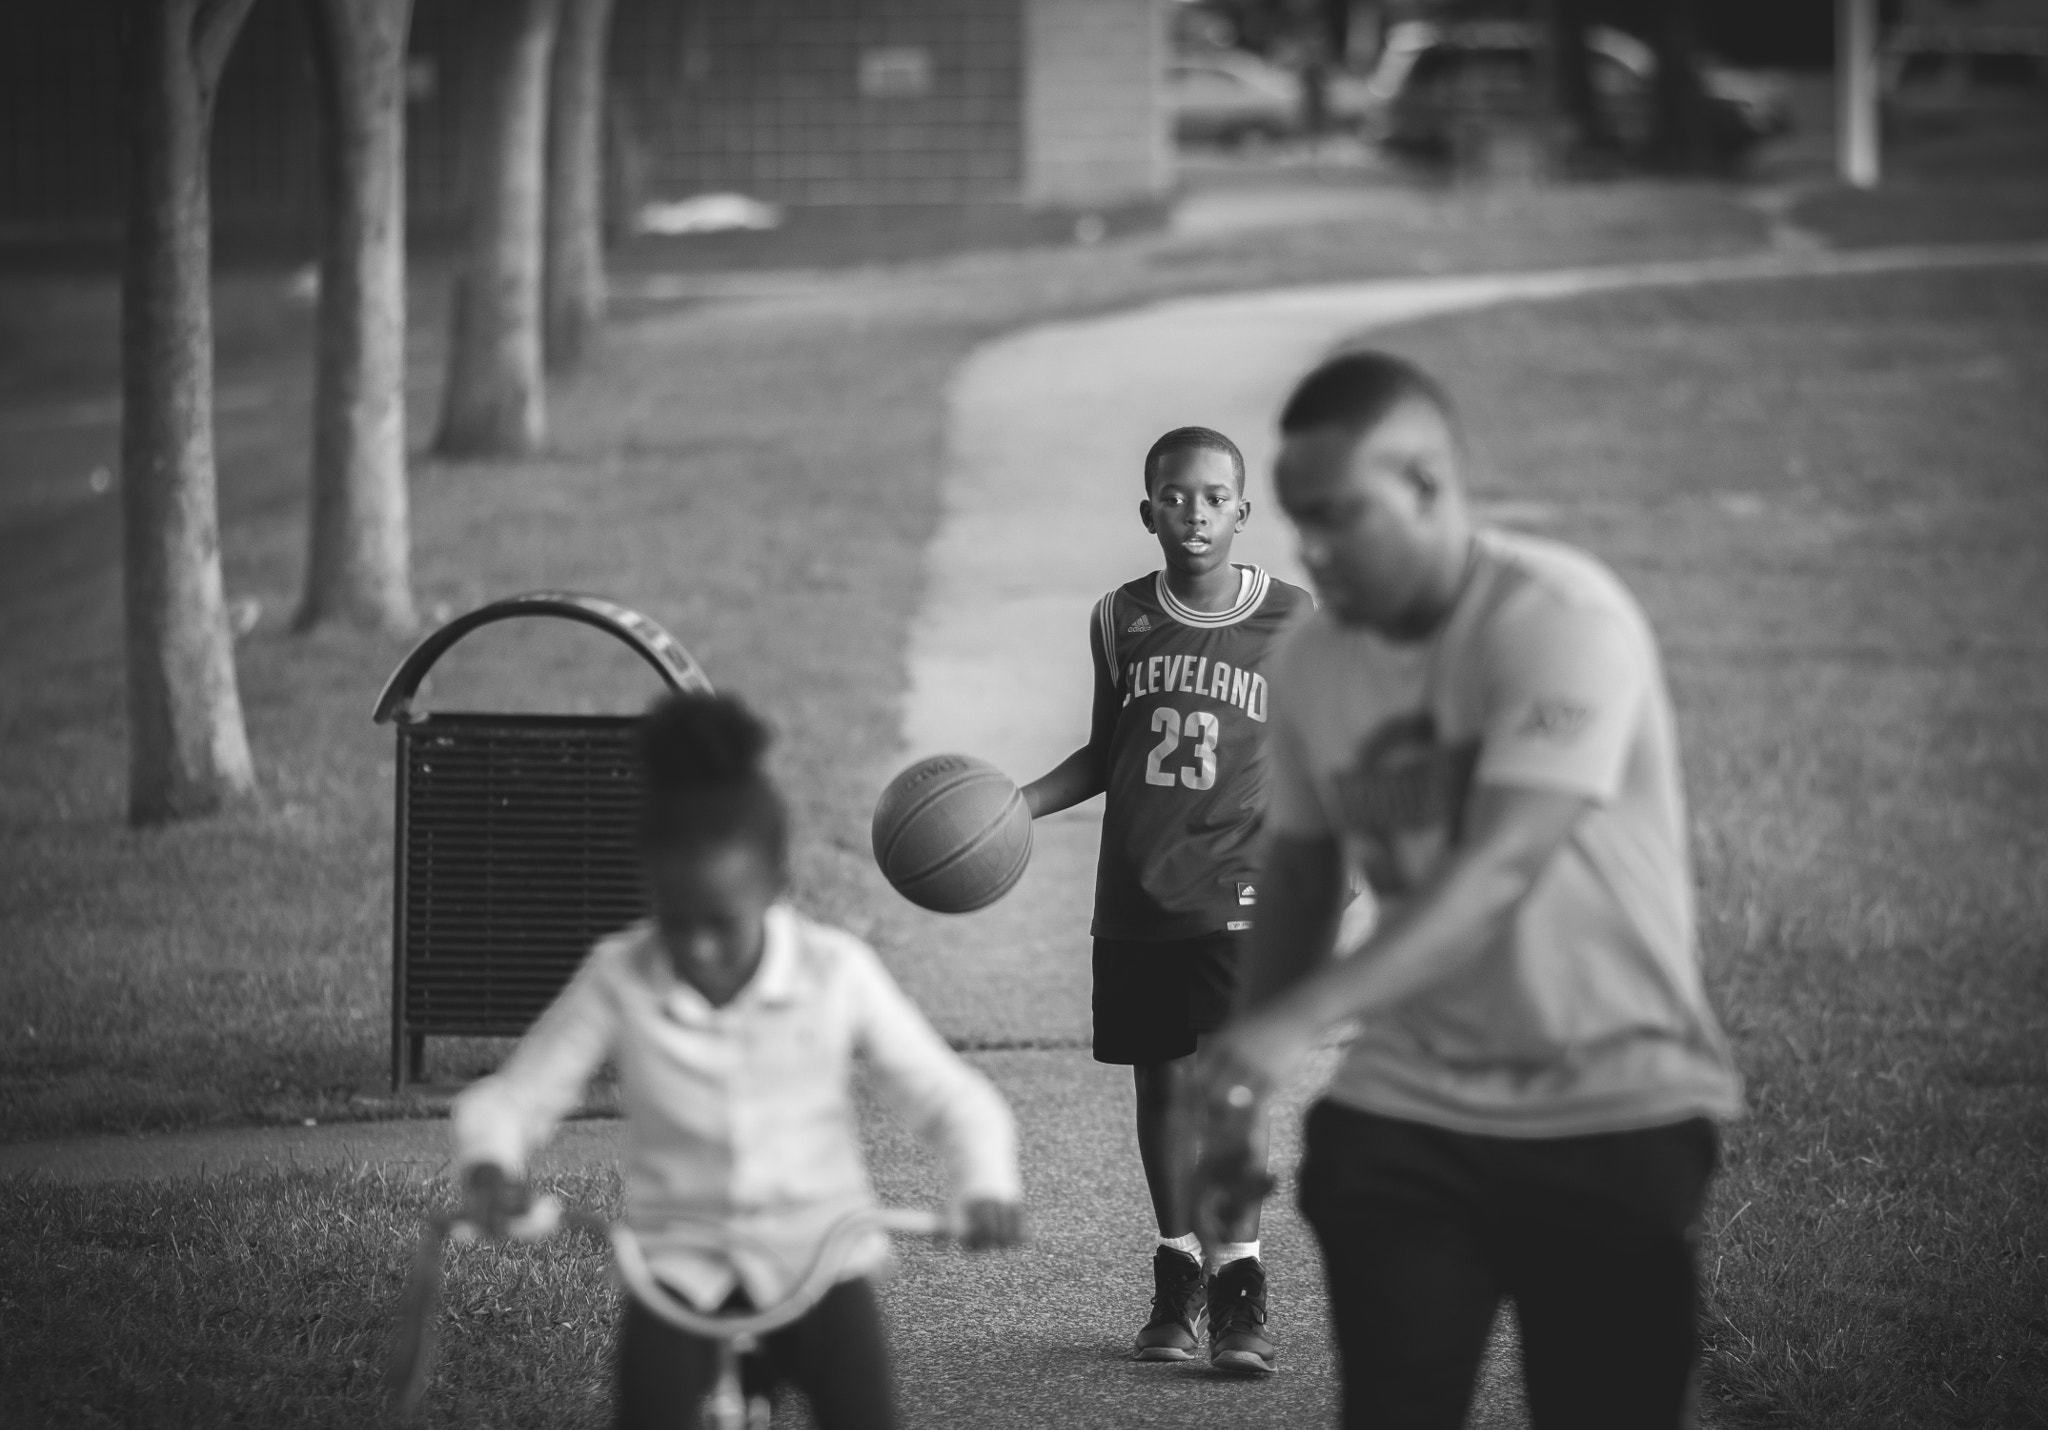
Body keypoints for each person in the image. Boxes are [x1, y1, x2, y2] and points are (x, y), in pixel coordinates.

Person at [1191, 351, 1744, 1428]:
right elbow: (1300, 875)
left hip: (1607, 1102)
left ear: (1430, 487)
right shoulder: (1310, 661)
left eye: (1339, 515)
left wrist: (1293, 1022)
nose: (1310, 547)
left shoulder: (1556, 615)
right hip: (1409, 1109)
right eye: (1298, 517)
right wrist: (1242, 1079)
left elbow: (1498, 865)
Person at [452, 692, 1026, 1430]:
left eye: (721, 925)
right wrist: (492, 1163)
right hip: (677, 1271)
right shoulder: (619, 975)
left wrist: (985, 1185)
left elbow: (950, 1097)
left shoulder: (834, 971)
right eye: (676, 921)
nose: (696, 950)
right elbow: (514, 1098)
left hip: (819, 1260)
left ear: (776, 888)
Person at [1020, 426, 1312, 1374]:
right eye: (1175, 497)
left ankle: (1242, 1289)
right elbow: (1109, 752)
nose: (1194, 512)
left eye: (1213, 497)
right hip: (1137, 894)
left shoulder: (1294, 622)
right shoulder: (1119, 618)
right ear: (1148, 512)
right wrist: (1017, 805)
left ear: (1243, 512)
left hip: (1243, 892)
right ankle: (1178, 1267)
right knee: (1161, 1088)